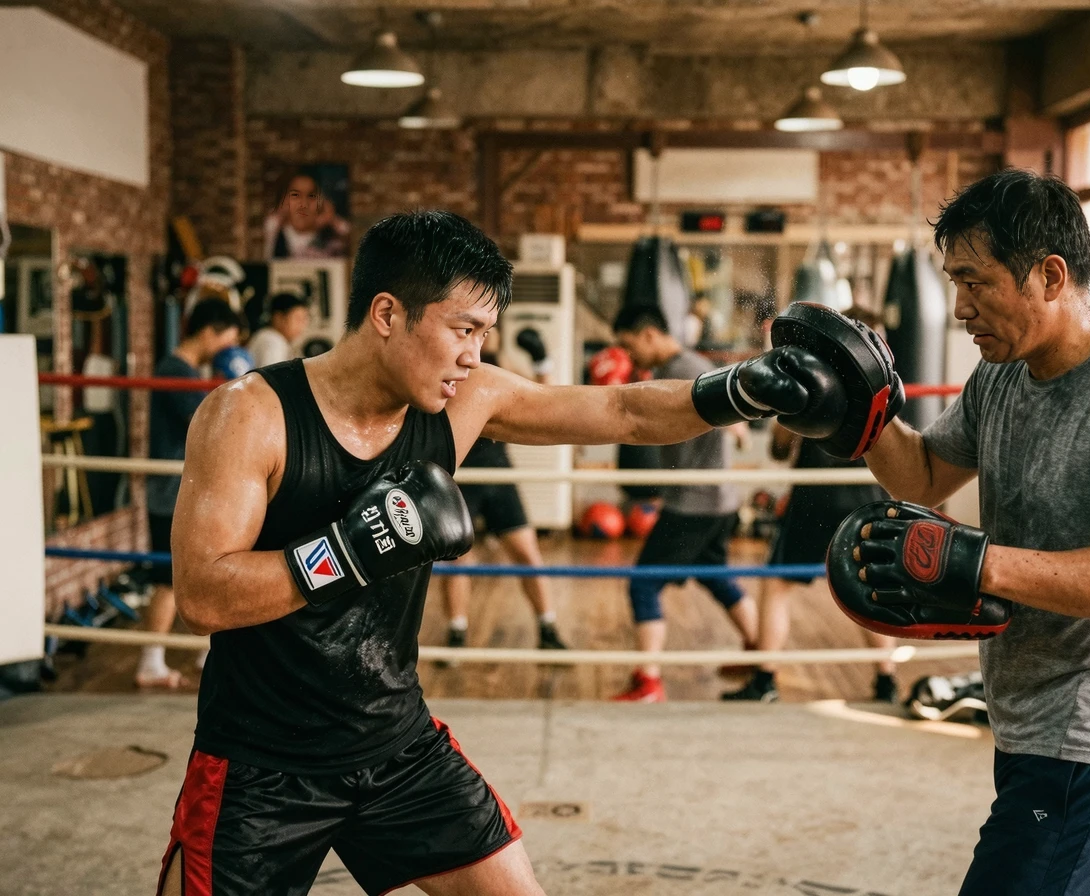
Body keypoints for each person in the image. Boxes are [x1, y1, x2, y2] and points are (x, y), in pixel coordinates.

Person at [160, 210, 872, 895]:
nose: (474, 354)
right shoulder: (250, 415)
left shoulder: (470, 397)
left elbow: (619, 411)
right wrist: (350, 550)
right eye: (462, 329)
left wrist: (737, 392)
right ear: (387, 315)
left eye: (484, 333)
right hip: (260, 765)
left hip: (395, 743)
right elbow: (201, 596)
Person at [830, 169, 1090, 895]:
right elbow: (922, 478)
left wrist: (977, 564)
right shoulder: (1002, 374)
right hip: (1027, 715)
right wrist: (861, 415)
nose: (958, 307)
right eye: (953, 281)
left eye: (976, 283)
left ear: (1049, 274)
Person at [725, 306, 899, 704]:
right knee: (870, 586)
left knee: (779, 584)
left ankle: (766, 678)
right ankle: (886, 679)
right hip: (866, 491)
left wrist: (782, 409)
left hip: (816, 493)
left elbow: (780, 448)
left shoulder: (812, 377)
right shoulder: (887, 383)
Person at [610, 305, 758, 703]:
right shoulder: (690, 365)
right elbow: (729, 407)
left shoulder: (683, 368)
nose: (630, 356)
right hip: (716, 498)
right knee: (714, 575)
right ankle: (761, 655)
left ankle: (648, 681)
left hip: (694, 503)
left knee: (644, 583)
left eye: (630, 346)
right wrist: (738, 431)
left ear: (650, 335)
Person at [440, 325, 568, 653]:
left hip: (497, 473)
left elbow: (546, 399)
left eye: (489, 332)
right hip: (460, 476)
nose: (484, 338)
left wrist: (542, 360)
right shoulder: (451, 365)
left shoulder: (502, 367)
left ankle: (548, 627)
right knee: (458, 560)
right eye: (476, 330)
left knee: (526, 553)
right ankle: (456, 631)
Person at [138, 297, 243, 688]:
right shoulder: (173, 370)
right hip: (169, 491)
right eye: (226, 340)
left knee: (207, 570)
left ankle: (206, 651)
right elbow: (209, 423)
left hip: (184, 488)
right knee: (167, 579)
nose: (227, 350)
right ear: (209, 332)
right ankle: (150, 660)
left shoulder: (185, 369)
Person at [263, 168, 350, 259]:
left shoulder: (333, 237)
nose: (304, 205)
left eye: (311, 196)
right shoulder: (273, 231)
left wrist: (331, 219)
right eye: (296, 195)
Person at [247, 292, 311, 368]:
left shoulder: (271, 337)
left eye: (304, 320)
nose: (302, 325)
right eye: (298, 319)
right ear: (278, 318)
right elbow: (272, 378)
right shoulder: (272, 340)